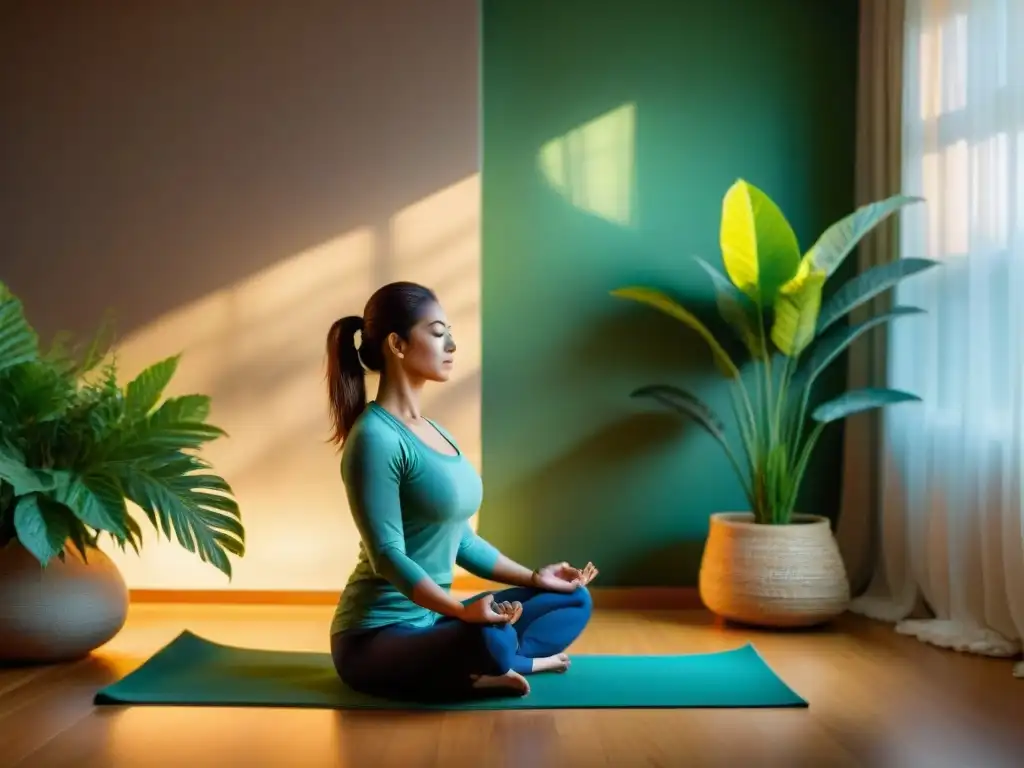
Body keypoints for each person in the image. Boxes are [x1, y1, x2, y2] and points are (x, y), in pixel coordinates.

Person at [324, 281, 597, 702]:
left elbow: (462, 539)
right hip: (374, 638)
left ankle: (490, 665)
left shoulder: (434, 432)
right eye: (437, 332)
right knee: (488, 640)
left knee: (572, 600)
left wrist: (533, 577)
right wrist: (459, 610)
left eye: (449, 332)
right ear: (397, 344)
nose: (451, 344)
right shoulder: (374, 438)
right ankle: (499, 663)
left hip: (435, 623)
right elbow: (387, 556)